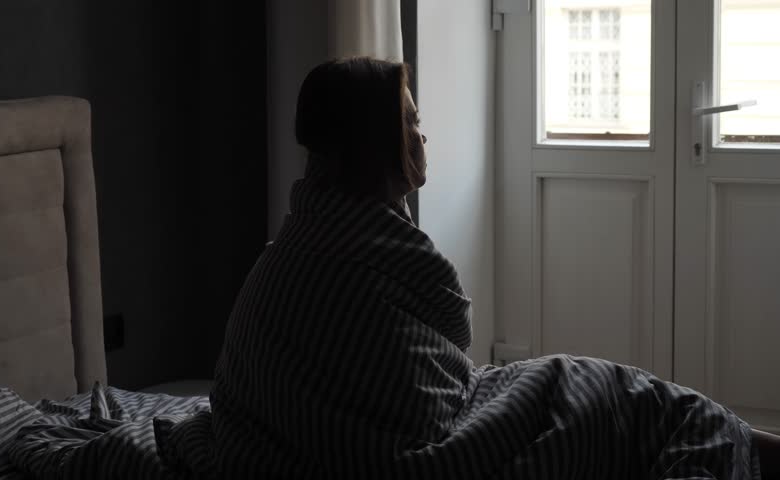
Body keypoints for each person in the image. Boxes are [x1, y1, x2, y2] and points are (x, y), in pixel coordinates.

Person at [209, 56, 780, 479]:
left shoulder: (303, 245)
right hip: (453, 436)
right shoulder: (331, 264)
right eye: (409, 122)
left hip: (461, 405)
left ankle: (744, 440)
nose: (422, 134)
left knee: (630, 396)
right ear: (375, 144)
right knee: (628, 404)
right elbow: (412, 422)